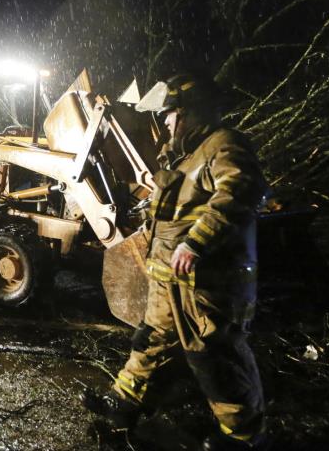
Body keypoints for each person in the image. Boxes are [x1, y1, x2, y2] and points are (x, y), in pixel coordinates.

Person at [82, 74, 270, 450]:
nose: (165, 123)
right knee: (149, 343)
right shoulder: (185, 157)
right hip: (170, 284)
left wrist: (195, 243)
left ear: (191, 113)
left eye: (170, 115)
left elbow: (238, 193)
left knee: (216, 359)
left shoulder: (225, 146)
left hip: (206, 286)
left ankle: (242, 438)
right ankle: (123, 407)